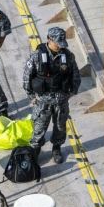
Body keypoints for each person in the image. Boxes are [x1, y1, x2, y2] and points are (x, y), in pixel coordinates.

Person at [22, 27, 81, 164]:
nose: (60, 47)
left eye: (61, 44)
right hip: (42, 100)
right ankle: (35, 150)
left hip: (61, 99)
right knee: (39, 127)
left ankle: (57, 148)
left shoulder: (68, 56)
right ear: (49, 40)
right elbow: (27, 78)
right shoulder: (36, 56)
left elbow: (75, 76)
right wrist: (31, 96)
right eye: (57, 43)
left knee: (60, 126)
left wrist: (70, 93)